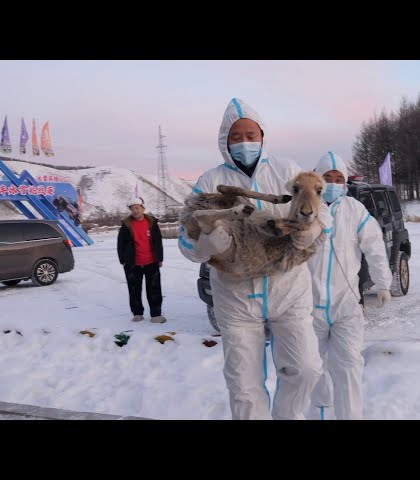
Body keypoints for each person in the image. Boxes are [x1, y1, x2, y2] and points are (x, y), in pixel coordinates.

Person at [178, 98, 325, 420]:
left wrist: (312, 231)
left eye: (251, 134)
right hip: (235, 296)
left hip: (288, 289)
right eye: (236, 136)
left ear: (263, 136)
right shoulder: (209, 180)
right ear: (224, 141)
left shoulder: (287, 171)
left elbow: (316, 209)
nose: (245, 142)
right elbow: (185, 235)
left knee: (306, 369)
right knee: (243, 386)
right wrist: (202, 246)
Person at [306, 151, 392, 420]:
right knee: (312, 369)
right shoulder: (304, 208)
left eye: (338, 178)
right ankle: (319, 415)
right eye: (326, 178)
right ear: (316, 180)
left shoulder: (355, 210)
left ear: (345, 183)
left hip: (346, 305)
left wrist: (383, 283)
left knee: (349, 366)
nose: (332, 183)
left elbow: (374, 246)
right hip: (308, 307)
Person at [117, 197, 166, 323]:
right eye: (132, 208)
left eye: (137, 208)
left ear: (143, 209)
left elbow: (158, 241)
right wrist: (123, 259)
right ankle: (137, 313)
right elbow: (120, 243)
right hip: (133, 263)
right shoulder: (126, 225)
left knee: (154, 289)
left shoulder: (152, 223)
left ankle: (156, 315)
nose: (135, 211)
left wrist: (159, 258)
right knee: (134, 289)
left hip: (151, 262)